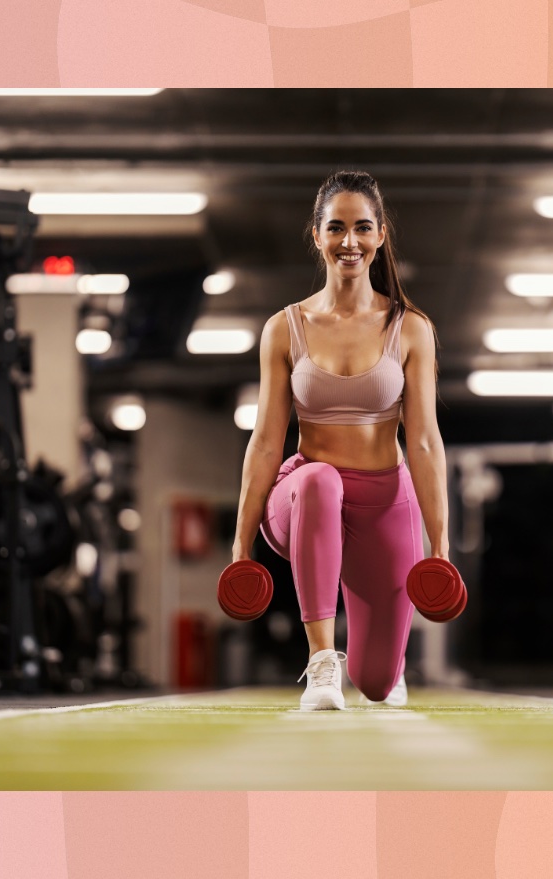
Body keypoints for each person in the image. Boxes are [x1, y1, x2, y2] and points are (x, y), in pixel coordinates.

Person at [230, 170, 448, 710]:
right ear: (317, 235)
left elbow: (422, 443)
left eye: (361, 228)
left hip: (383, 503)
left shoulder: (411, 328)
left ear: (379, 237)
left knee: (377, 684)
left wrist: (439, 544)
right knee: (320, 480)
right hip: (303, 497)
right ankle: (323, 662)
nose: (348, 241)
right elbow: (264, 441)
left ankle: (381, 667)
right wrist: (240, 544)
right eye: (336, 228)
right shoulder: (285, 327)